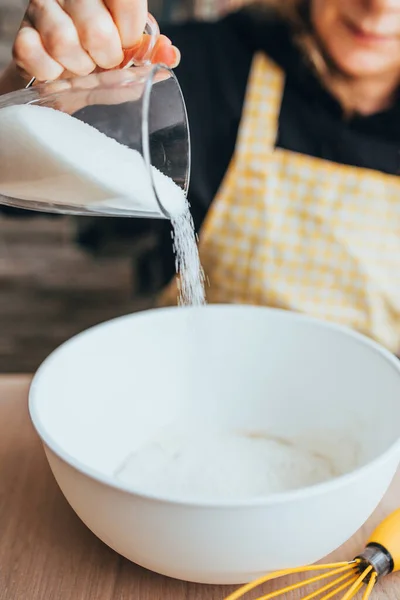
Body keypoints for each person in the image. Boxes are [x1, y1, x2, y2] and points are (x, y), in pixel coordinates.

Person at [1, 0, 400, 353]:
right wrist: (33, 97)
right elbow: (15, 188)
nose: (380, 6)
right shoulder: (213, 65)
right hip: (190, 389)